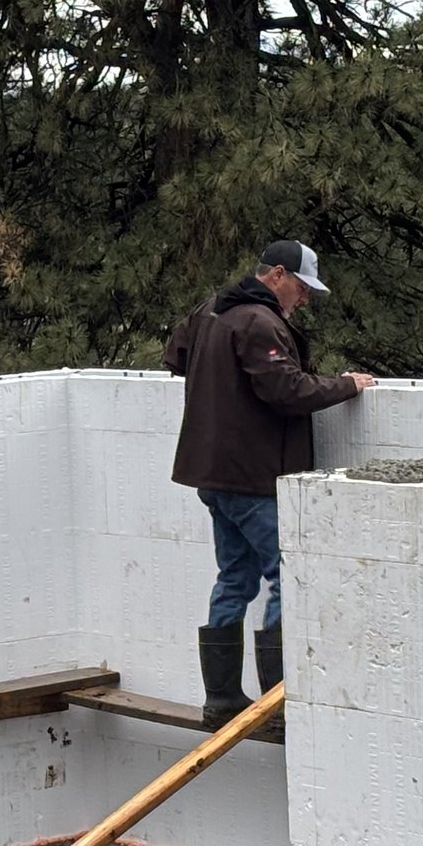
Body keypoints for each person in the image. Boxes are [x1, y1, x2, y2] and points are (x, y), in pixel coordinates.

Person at [165, 240, 375, 726]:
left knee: (234, 578)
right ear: (277, 274)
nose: (304, 299)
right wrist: (347, 384)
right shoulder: (259, 322)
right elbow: (287, 389)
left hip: (210, 472)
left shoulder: (211, 309)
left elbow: (174, 356)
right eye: (302, 288)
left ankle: (221, 700)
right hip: (252, 475)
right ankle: (277, 705)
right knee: (285, 577)